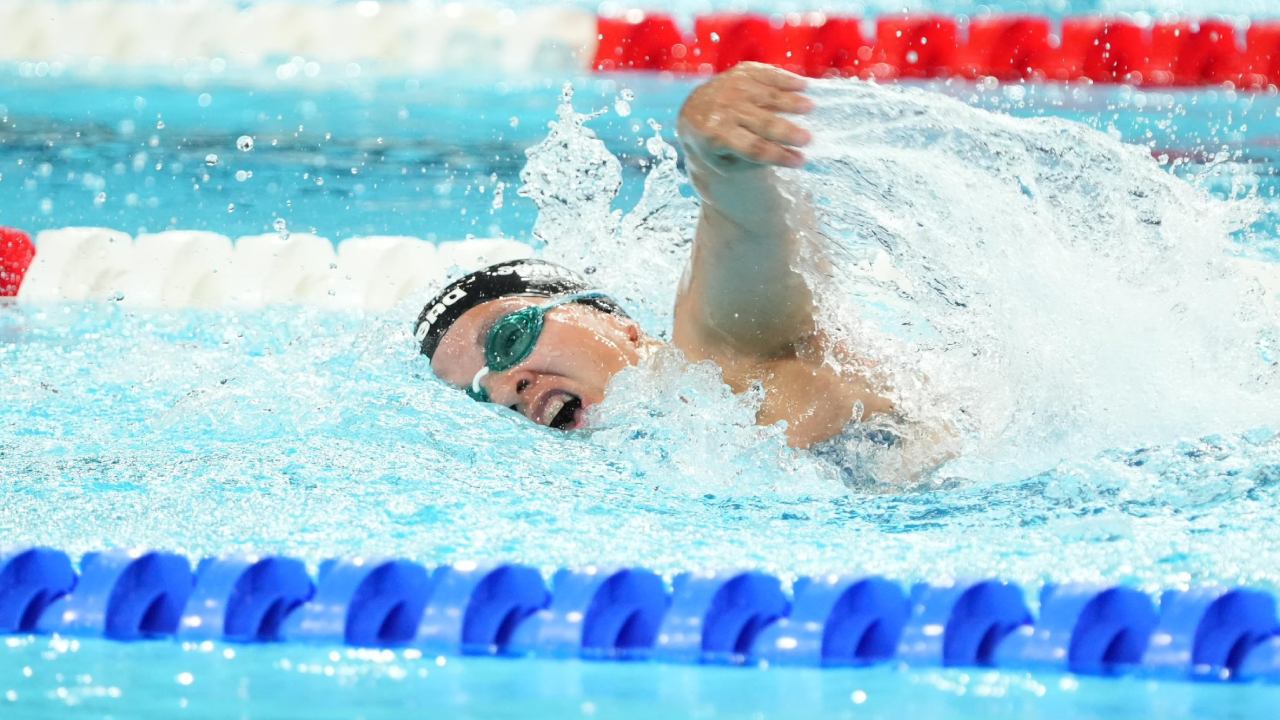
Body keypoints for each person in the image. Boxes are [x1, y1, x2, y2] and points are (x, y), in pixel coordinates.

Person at [416, 63, 894, 449]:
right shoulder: (652, 457)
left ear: (612, 320)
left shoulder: (717, 373)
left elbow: (748, 237)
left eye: (507, 338)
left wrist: (717, 162)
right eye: (478, 394)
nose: (505, 391)